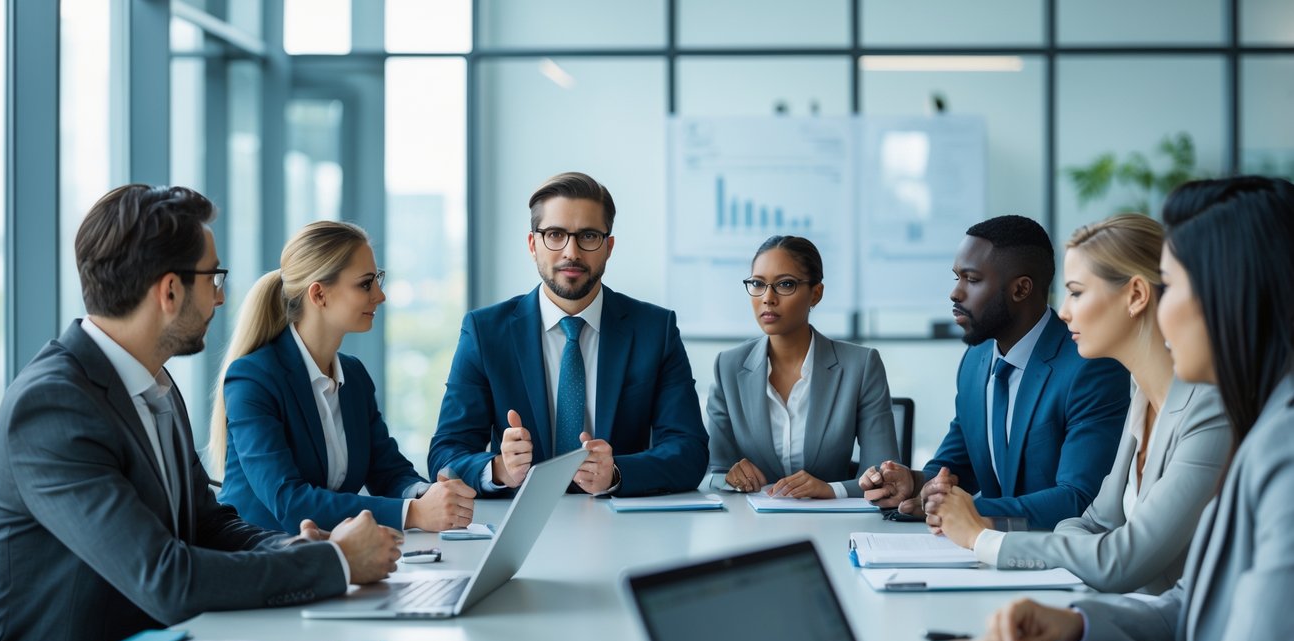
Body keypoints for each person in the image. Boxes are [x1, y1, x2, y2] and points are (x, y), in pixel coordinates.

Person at [0, 185, 400, 641]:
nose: (222, 297)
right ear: (170, 291)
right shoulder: (54, 405)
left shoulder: (153, 385)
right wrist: (333, 563)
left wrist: (295, 544)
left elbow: (207, 523)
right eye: (213, 278)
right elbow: (165, 578)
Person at [915, 176, 1294, 641]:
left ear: (1231, 293)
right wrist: (1072, 624)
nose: (1165, 311)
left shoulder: (1278, 445)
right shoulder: (1260, 420)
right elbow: (1186, 597)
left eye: (1177, 288)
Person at [926, 214, 1228, 594]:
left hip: (1159, 637)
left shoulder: (1207, 409)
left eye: (1077, 292)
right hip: (1112, 615)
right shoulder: (1141, 399)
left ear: (1135, 296)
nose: (1064, 311)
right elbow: (1086, 523)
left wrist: (981, 537)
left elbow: (1123, 557)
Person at [427, 171, 708, 497]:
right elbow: (445, 455)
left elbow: (689, 450)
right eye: (555, 234)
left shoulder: (654, 330)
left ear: (608, 247)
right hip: (519, 528)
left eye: (588, 236)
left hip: (622, 528)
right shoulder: (485, 331)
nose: (571, 252)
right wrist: (498, 469)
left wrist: (617, 472)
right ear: (533, 245)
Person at [858, 215, 1129, 530]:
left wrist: (967, 509)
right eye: (956, 277)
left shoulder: (1091, 366)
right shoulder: (976, 361)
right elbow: (959, 466)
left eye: (971, 279)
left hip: (1057, 559)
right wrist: (915, 484)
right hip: (986, 554)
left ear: (1021, 289)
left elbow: (1079, 498)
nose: (955, 293)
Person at [211, 221, 476, 534]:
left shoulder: (353, 375)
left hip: (326, 556)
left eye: (378, 280)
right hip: (259, 560)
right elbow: (289, 501)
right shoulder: (253, 379)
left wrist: (426, 494)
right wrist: (413, 513)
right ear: (319, 294)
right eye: (365, 284)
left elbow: (387, 470)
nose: (380, 296)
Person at [706, 235, 898, 497]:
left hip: (832, 524)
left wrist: (830, 490)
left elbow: (885, 475)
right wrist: (731, 477)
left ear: (815, 294)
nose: (768, 298)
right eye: (758, 284)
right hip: (751, 526)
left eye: (785, 284)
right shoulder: (728, 367)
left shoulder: (860, 366)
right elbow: (715, 471)